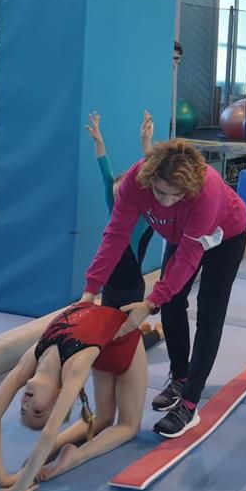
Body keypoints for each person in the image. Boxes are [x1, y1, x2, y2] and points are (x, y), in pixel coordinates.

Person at [79, 140, 246, 438]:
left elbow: (189, 256)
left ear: (188, 189)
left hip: (226, 235)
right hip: (182, 234)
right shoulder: (134, 182)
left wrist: (149, 303)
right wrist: (90, 290)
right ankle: (180, 378)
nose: (168, 202)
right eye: (160, 193)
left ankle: (189, 404)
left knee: (209, 313)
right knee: (172, 303)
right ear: (149, 180)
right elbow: (116, 234)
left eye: (176, 195)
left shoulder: (206, 190)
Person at [0, 302, 147, 491]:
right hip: (115, 339)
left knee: (113, 421)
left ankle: (66, 452)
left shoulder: (35, 356)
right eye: (36, 411)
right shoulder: (71, 367)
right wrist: (4, 480)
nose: (27, 405)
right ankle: (72, 454)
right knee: (119, 423)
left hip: (115, 338)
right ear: (57, 394)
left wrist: (13, 487)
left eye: (25, 410)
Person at [85, 111, 163, 347]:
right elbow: (105, 173)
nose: (120, 202)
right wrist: (99, 141)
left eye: (124, 196)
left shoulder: (143, 218)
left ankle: (157, 333)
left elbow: (151, 176)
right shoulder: (114, 210)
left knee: (124, 343)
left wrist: (146, 143)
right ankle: (144, 329)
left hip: (131, 288)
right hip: (110, 285)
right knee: (108, 338)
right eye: (116, 196)